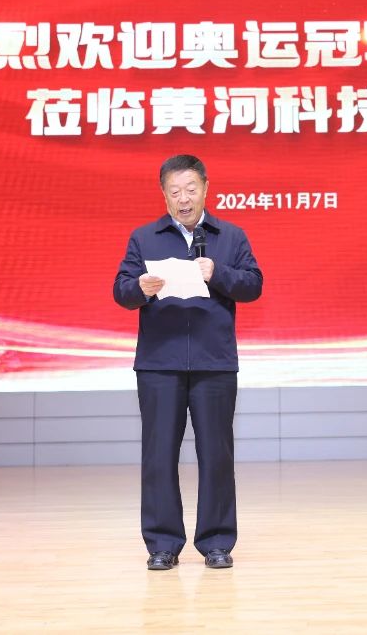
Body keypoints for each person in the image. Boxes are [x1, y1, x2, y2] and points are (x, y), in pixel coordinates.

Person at [113, 155, 263, 571]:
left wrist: (218, 273)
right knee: (158, 455)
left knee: (217, 454)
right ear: (163, 194)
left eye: (191, 189)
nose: (184, 199)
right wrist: (140, 288)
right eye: (175, 191)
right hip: (159, 364)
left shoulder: (230, 236)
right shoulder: (145, 238)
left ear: (206, 188)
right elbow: (120, 291)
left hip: (215, 363)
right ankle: (163, 544)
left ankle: (216, 542)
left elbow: (253, 285)